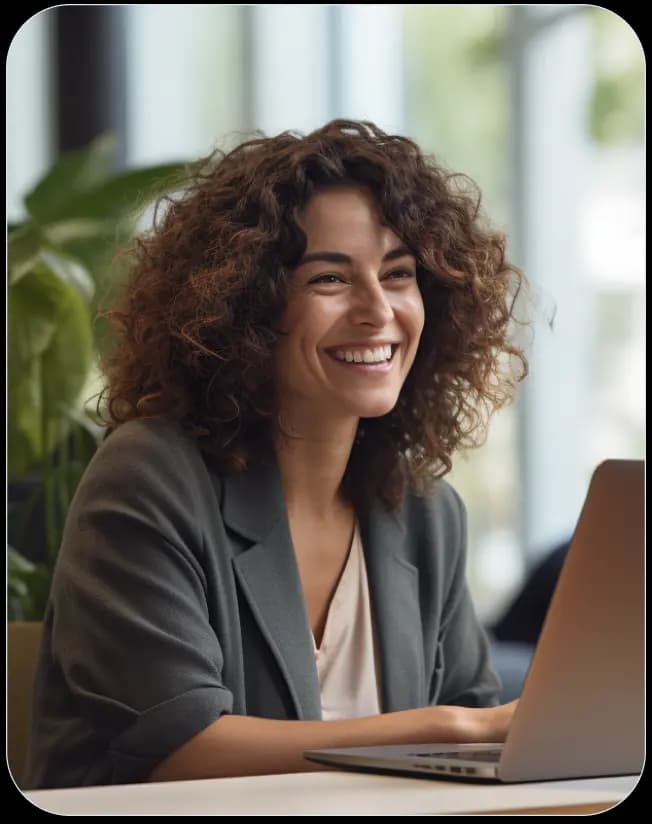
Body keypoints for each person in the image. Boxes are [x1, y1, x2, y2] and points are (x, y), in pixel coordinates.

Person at [24, 119, 528, 789]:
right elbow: (177, 747)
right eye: (329, 280)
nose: (378, 310)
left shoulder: (425, 511)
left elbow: (484, 743)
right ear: (249, 309)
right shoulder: (150, 477)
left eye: (398, 273)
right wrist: (444, 729)